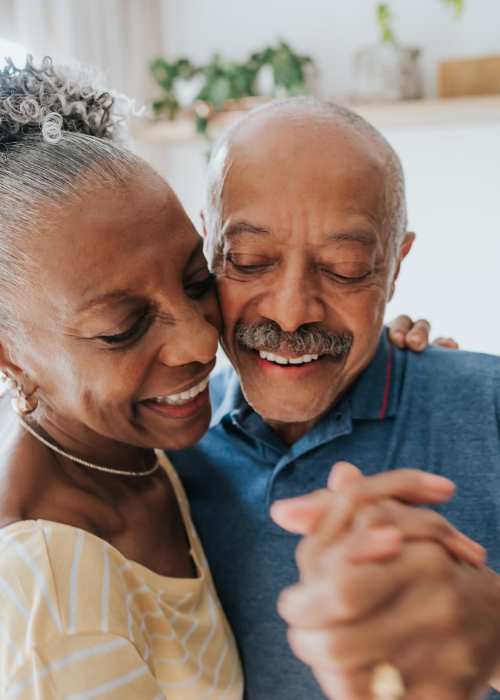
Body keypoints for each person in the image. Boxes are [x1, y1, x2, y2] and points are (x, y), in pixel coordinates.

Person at [169, 97, 500, 699]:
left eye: (346, 268)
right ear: (209, 247)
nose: (292, 311)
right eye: (249, 260)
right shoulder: (167, 450)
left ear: (395, 266)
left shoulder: (491, 407)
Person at [0, 56, 243, 699]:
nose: (199, 341)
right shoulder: (46, 588)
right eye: (123, 328)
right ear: (10, 356)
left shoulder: (136, 452)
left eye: (197, 282)